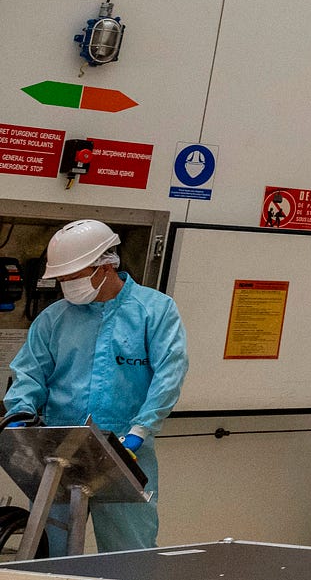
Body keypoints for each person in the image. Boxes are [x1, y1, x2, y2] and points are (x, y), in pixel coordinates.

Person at [4, 219, 188, 553]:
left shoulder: (154, 312)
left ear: (103, 266)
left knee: (129, 555)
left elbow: (168, 375)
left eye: (71, 278)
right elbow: (29, 372)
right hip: (58, 450)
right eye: (60, 279)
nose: (65, 286)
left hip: (125, 452)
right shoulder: (54, 318)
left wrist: (140, 430)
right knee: (46, 555)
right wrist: (19, 416)